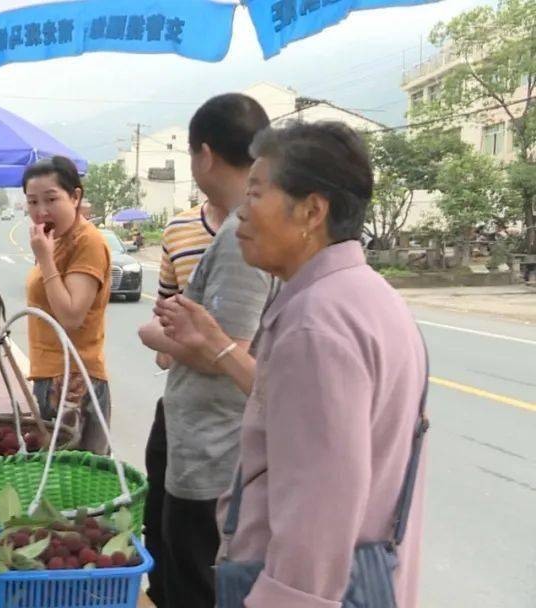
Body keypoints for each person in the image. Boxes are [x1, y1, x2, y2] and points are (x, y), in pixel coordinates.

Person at [155, 121, 428, 607]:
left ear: (311, 210)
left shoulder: (316, 326)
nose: (241, 212)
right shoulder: (364, 296)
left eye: (256, 194)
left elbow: (316, 518)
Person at [137, 93, 273, 608]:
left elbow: (226, 349)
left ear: (205, 155)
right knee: (176, 570)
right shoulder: (229, 230)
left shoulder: (244, 238)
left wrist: (157, 336)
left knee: (195, 582)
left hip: (215, 454)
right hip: (196, 440)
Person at [23, 156, 112, 454]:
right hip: (52, 375)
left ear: (75, 197)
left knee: (75, 483)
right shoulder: (56, 238)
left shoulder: (86, 242)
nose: (41, 211)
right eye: (32, 202)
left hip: (73, 380)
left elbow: (71, 315)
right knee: (56, 481)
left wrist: (45, 260)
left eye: (51, 199)